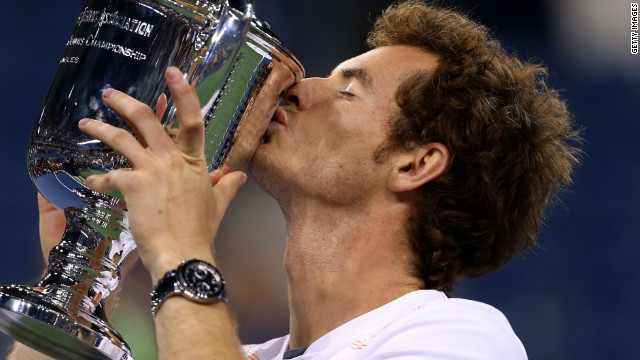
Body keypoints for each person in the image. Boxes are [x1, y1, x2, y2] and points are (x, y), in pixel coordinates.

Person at [9, 0, 581, 359]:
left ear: (414, 164)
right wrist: (82, 279)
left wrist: (182, 251)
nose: (300, 86)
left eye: (348, 90)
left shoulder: (462, 342)